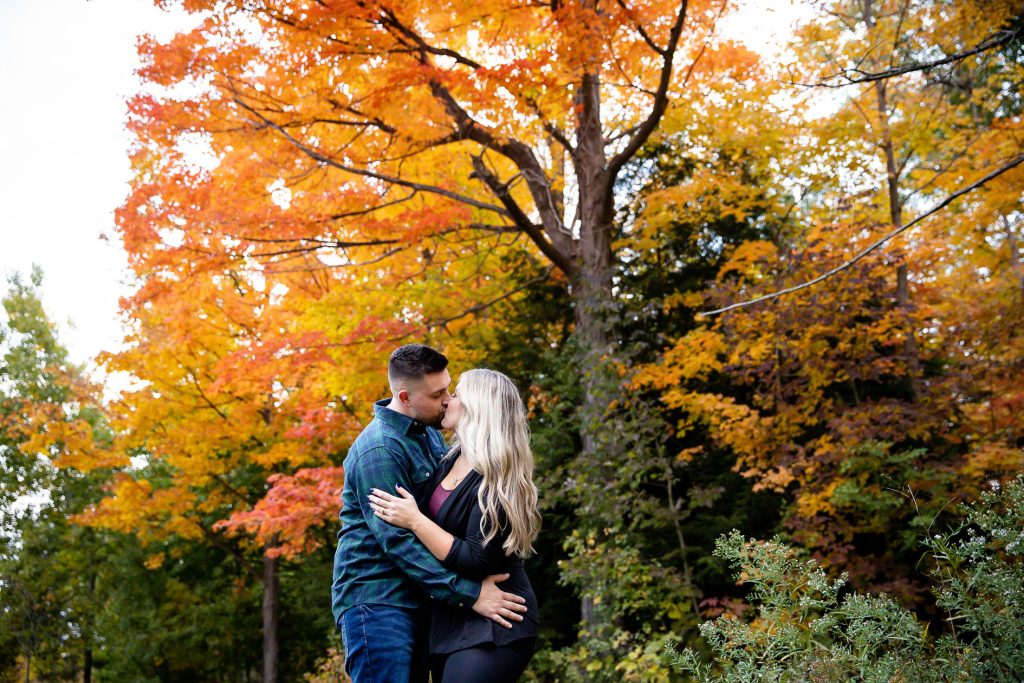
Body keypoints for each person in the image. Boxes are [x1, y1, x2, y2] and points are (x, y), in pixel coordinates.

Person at [331, 345, 528, 683]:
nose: (448, 399)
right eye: (438, 394)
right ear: (405, 397)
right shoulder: (380, 450)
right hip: (379, 600)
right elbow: (398, 544)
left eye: (449, 389)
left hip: (421, 597)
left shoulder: (432, 436)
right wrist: (470, 594)